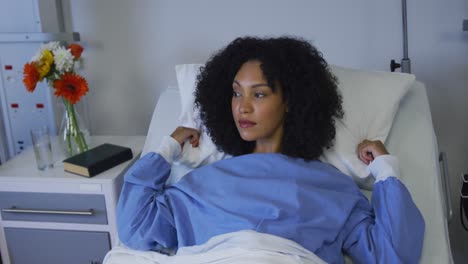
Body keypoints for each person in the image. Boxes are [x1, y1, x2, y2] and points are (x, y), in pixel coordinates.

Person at [117, 37, 425, 263]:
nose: (243, 107)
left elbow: (393, 255)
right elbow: (135, 227)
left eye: (259, 94)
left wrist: (385, 169)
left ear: (290, 101)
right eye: (236, 93)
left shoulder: (331, 187)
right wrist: (166, 148)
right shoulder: (201, 183)